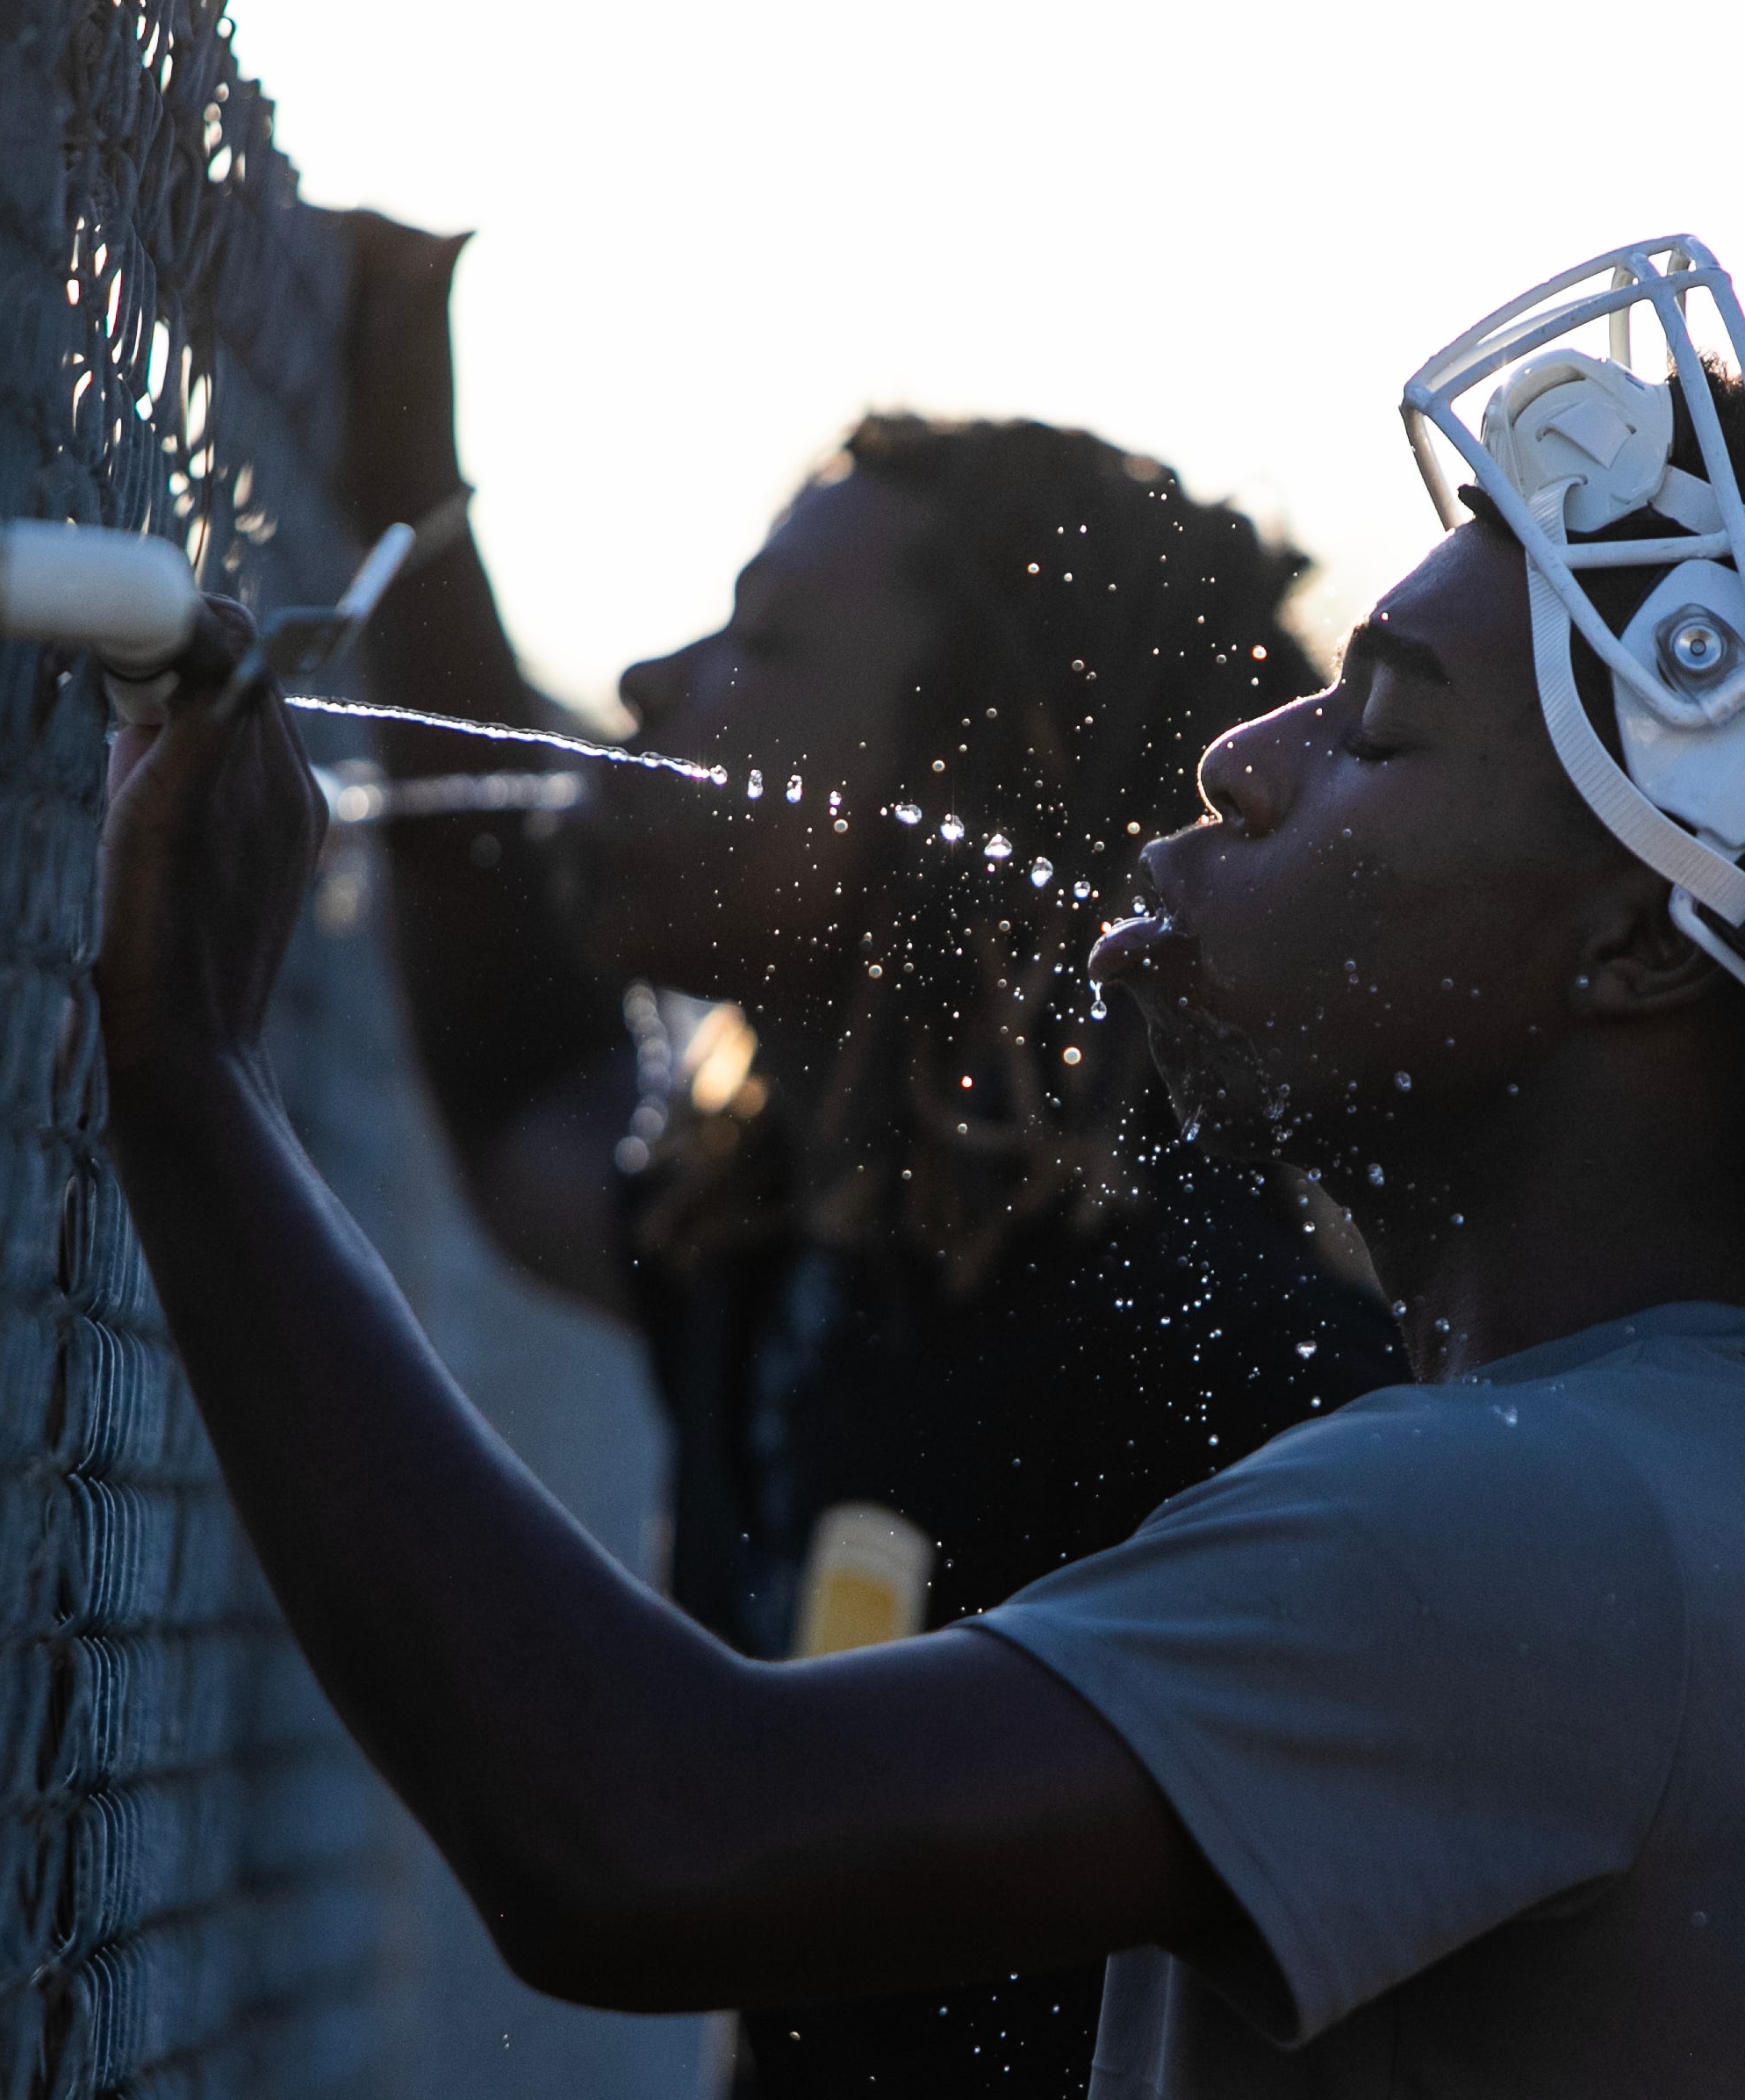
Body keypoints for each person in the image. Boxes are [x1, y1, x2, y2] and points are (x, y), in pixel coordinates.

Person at [93, 237, 1745, 2096]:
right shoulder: (1718, 1484)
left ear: (1662, 948)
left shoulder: (1554, 1525)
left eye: (1382, 722)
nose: (1244, 762)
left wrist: (186, 1085)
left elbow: (635, 1829)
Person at [331, 216, 1404, 2090]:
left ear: (965, 781)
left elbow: (661, 1844)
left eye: (765, 640)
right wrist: (416, 491)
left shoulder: (1218, 1349)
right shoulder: (814, 1240)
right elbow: (518, 1078)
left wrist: (181, 1077)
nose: (656, 680)